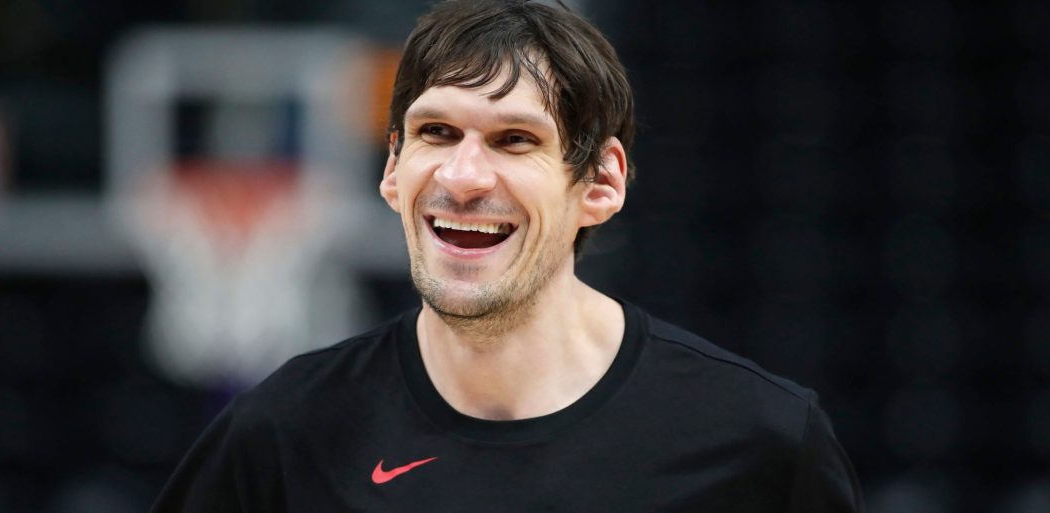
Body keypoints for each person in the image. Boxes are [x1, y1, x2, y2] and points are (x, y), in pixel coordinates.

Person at [150, 1, 864, 511]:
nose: (462, 177)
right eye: (435, 132)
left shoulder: (757, 440)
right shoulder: (281, 434)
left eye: (514, 140)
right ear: (393, 169)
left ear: (603, 182)